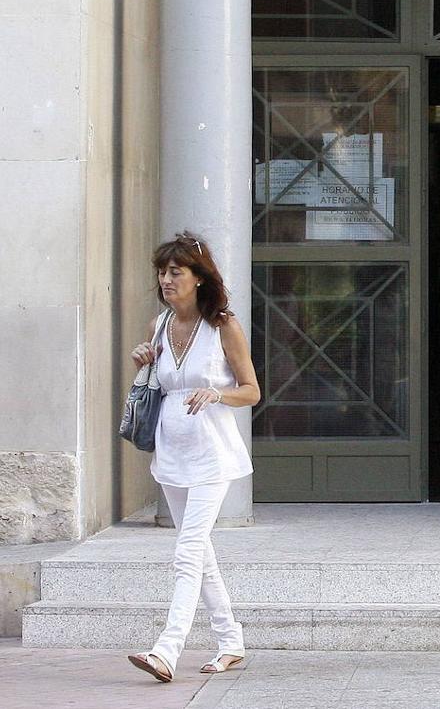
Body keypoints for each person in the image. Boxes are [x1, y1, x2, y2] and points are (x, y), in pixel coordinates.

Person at [127, 232, 260, 682]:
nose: (166, 280)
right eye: (162, 272)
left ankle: (167, 648)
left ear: (199, 279)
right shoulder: (158, 326)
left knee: (186, 550)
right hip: (172, 450)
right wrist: (142, 359)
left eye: (176, 272)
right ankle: (231, 641)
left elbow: (252, 391)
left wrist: (217, 393)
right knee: (199, 551)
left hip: (212, 454)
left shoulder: (224, 326)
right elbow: (158, 383)